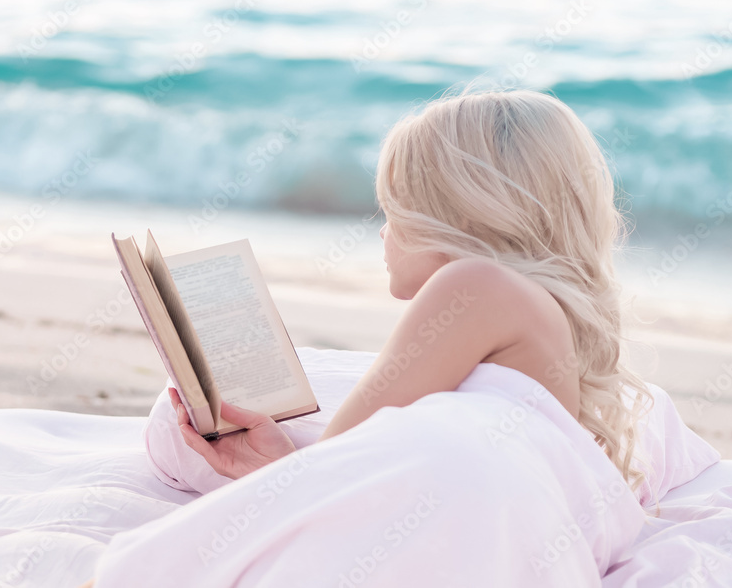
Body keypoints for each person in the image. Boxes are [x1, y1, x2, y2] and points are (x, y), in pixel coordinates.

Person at [76, 86, 653, 588]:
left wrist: (284, 474)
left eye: (395, 209)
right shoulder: (549, 314)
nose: (383, 230)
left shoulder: (475, 286)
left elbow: (338, 467)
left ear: (455, 218)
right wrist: (276, 463)